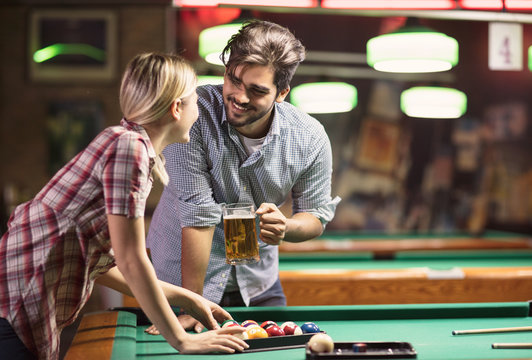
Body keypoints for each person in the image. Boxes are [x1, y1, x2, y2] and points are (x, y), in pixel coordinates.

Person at [0, 53, 248, 360]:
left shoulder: (127, 144)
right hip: (13, 307)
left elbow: (101, 265)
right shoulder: (129, 148)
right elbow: (131, 258)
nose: (200, 112)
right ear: (176, 108)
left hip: (20, 306)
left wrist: (185, 297)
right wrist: (182, 340)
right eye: (196, 101)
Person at [147, 20, 340, 332]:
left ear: (282, 93)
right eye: (233, 80)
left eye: (257, 90)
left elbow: (315, 215)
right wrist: (192, 304)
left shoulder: (310, 137)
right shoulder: (190, 114)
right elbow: (198, 214)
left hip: (258, 286)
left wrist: (286, 227)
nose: (239, 96)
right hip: (179, 285)